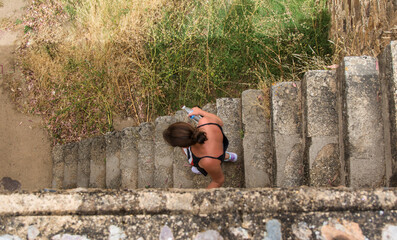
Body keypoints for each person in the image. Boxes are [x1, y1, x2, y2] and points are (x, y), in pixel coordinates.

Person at [163, 107, 238, 189]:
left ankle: (221, 158)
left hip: (211, 159)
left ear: (185, 146)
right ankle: (226, 156)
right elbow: (220, 122)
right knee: (218, 155)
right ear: (188, 125)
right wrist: (201, 111)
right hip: (220, 145)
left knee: (197, 164)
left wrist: (200, 197)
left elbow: (218, 181)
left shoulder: (206, 162)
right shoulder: (204, 121)